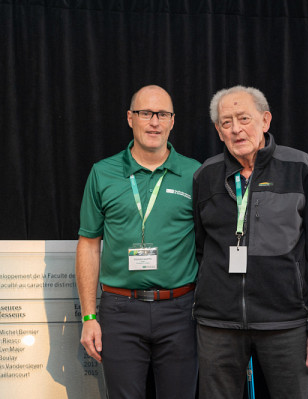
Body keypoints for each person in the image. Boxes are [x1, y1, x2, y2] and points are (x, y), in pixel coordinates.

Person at [192, 85, 308, 398]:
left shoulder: (300, 168)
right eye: (226, 122)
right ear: (218, 131)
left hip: (286, 324)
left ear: (265, 120)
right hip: (218, 325)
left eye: (244, 118)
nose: (236, 129)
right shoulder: (206, 175)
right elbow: (202, 249)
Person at [75, 85, 201, 399]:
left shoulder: (196, 174)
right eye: (146, 113)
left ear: (173, 121)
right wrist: (89, 317)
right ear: (131, 118)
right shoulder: (103, 173)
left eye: (162, 114)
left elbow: (210, 244)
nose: (154, 122)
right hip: (120, 312)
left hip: (181, 312)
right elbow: (89, 244)